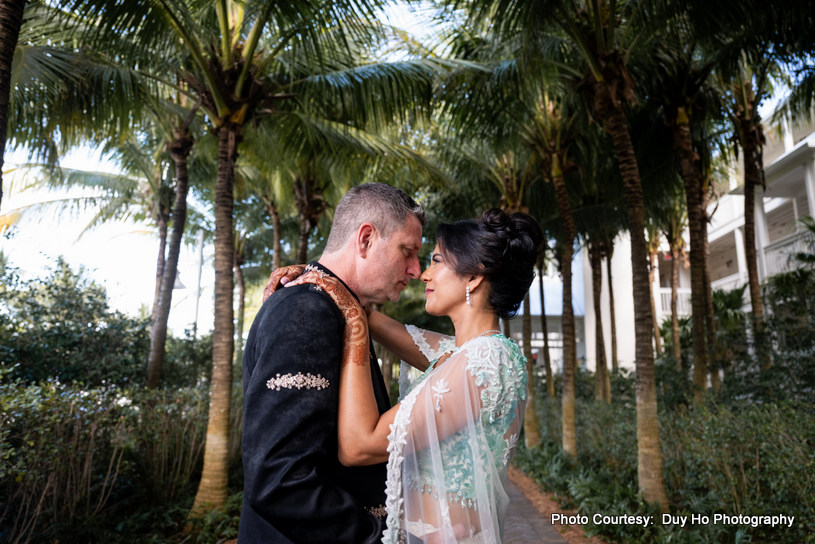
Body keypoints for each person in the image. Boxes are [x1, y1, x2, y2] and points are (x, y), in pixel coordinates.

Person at [337, 208, 543, 544]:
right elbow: (368, 316)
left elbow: (359, 446)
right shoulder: (465, 353)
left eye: (436, 261)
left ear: (473, 277)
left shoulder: (484, 362)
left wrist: (352, 326)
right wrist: (318, 277)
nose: (424, 275)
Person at [238, 183, 425, 544]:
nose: (415, 269)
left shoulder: (341, 309)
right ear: (366, 239)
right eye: (407, 251)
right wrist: (375, 538)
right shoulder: (306, 311)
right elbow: (280, 479)